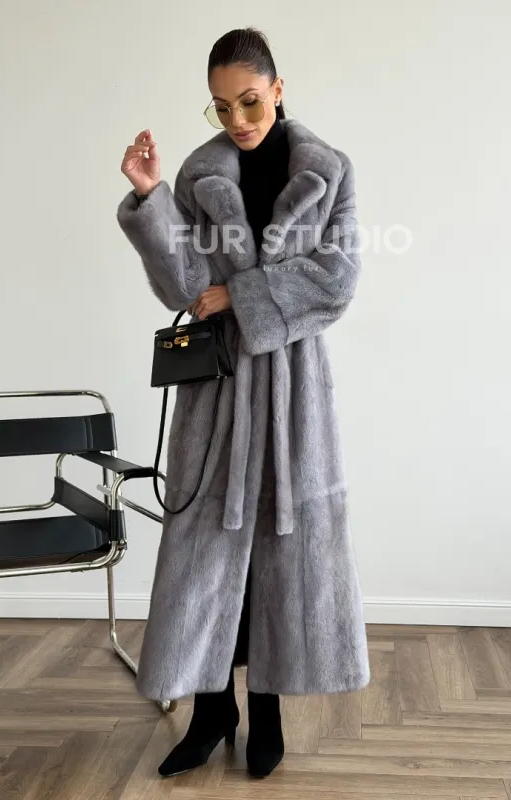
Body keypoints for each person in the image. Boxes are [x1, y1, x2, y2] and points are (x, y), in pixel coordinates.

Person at [116, 27, 370, 779]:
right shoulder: (201, 175)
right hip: (219, 394)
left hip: (294, 394)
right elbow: (186, 288)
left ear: (278, 89)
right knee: (206, 556)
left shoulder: (328, 171)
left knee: (279, 556)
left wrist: (244, 294)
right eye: (222, 107)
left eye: (250, 101)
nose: (238, 119)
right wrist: (151, 197)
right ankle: (210, 710)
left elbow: (337, 281)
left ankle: (268, 711)